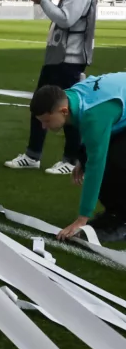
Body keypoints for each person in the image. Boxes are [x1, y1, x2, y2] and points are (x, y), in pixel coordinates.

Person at [6, 0, 97, 174]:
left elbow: (66, 20)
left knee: (69, 109)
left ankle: (69, 159)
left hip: (70, 59)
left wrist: (44, 1)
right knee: (41, 105)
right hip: (59, 58)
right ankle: (33, 155)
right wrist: (42, 1)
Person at [30, 73, 126, 242]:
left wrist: (82, 218)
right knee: (85, 153)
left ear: (63, 111)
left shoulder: (93, 115)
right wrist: (84, 160)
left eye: (46, 120)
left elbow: (97, 164)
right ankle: (115, 211)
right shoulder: (70, 96)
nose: (44, 126)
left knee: (114, 162)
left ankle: (121, 220)